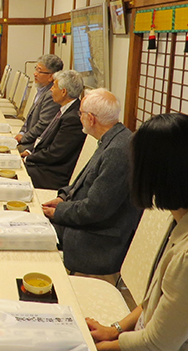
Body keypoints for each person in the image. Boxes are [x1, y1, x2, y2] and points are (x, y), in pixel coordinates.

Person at [86, 113, 188, 351]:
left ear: (157, 174)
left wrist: (101, 347)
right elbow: (158, 299)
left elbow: (156, 344)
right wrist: (116, 329)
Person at [41, 88, 142, 280]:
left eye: (80, 114)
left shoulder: (118, 151)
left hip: (97, 239)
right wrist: (62, 197)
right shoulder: (112, 138)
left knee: (28, 239)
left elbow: (95, 209)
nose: (79, 118)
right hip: (86, 221)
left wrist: (59, 212)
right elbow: (82, 180)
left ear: (91, 118)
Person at [24, 70, 86, 190]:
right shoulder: (66, 109)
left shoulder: (73, 118)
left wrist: (28, 159)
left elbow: (55, 153)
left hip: (53, 174)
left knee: (12, 173)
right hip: (45, 164)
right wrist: (30, 152)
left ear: (63, 92)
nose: (51, 89)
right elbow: (45, 140)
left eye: (54, 86)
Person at [15, 54, 63, 154]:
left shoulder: (51, 95)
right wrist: (21, 132)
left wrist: (23, 138)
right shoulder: (41, 89)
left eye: (39, 71)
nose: (35, 74)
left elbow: (43, 125)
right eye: (36, 69)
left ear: (51, 76)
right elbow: (29, 118)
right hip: (29, 138)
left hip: (35, 145)